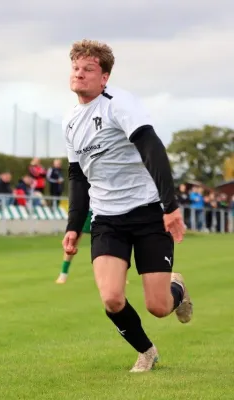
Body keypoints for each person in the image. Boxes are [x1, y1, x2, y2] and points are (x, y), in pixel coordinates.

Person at [61, 40, 192, 373]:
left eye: (89, 69)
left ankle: (177, 288)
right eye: (76, 67)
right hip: (106, 219)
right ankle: (146, 351)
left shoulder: (119, 104)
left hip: (148, 212)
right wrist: (73, 227)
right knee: (112, 298)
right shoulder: (71, 121)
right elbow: (78, 178)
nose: (80, 73)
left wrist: (170, 205)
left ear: (104, 77)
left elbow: (151, 148)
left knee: (159, 307)